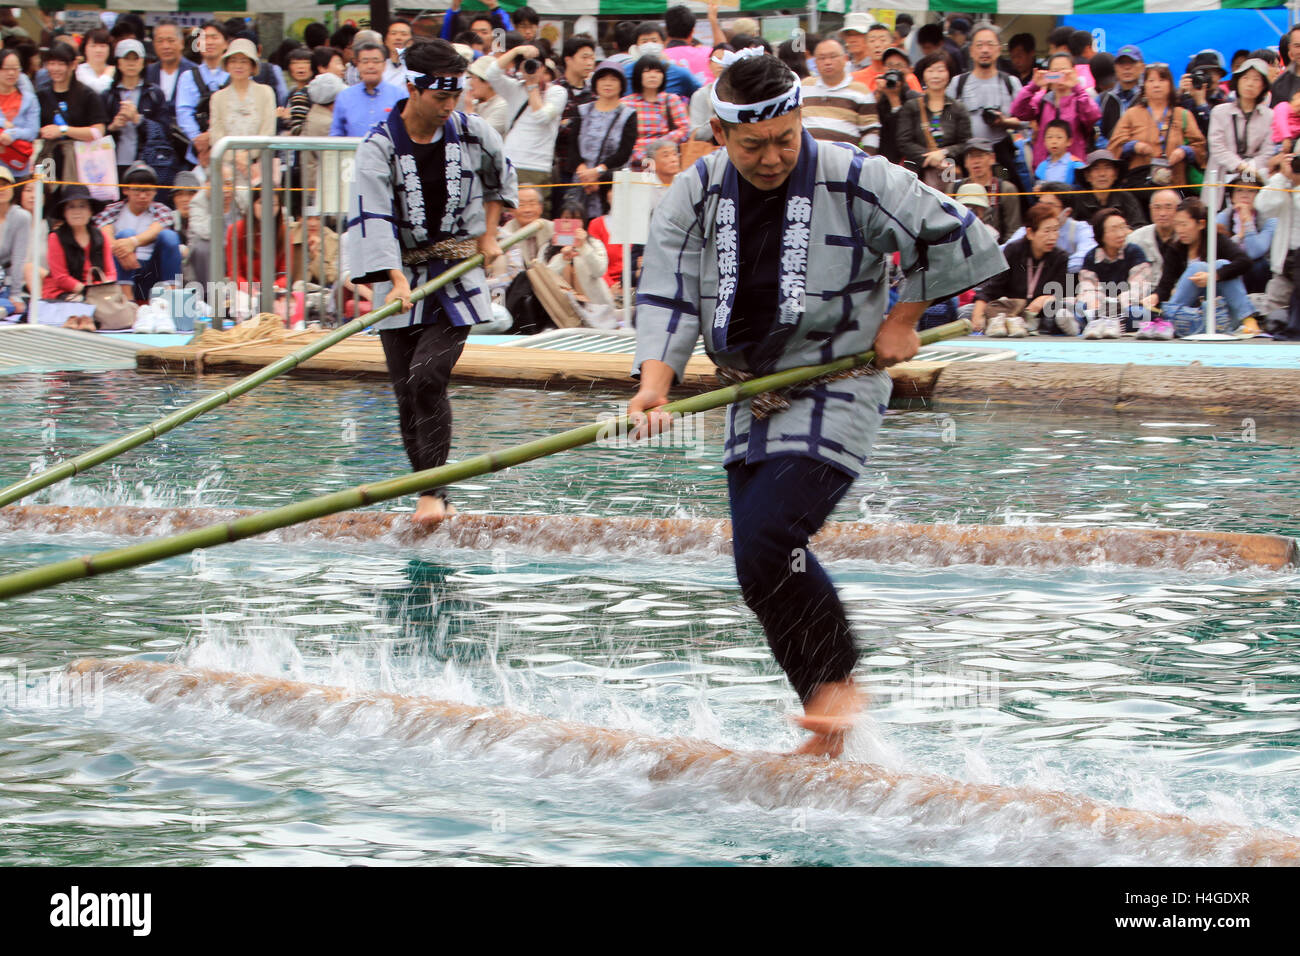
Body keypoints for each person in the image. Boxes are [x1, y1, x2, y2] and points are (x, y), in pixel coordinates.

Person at [628, 52, 1004, 757]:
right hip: (752, 392)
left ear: (800, 121)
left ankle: (839, 684)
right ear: (719, 134)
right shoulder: (694, 190)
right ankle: (825, 721)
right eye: (753, 145)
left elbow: (957, 231)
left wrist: (905, 316)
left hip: (840, 379)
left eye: (785, 139)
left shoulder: (855, 173)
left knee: (774, 535)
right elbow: (670, 291)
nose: (772, 157)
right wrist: (655, 384)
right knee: (755, 565)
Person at [346, 39, 516, 524]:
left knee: (428, 376)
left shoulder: (472, 131)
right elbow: (372, 216)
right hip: (400, 275)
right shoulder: (378, 146)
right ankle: (431, 494)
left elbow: (499, 177)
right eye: (440, 97)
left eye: (455, 95)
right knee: (406, 390)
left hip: (457, 270)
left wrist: (487, 234)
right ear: (414, 88)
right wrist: (396, 278)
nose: (449, 106)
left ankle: (433, 494)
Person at [1148, 197, 1259, 336]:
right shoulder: (1175, 249)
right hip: (1188, 316)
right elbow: (1166, 284)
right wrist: (1156, 296)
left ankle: (1248, 318)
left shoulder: (1217, 241)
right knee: (1198, 267)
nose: (1180, 230)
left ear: (1201, 224)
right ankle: (1168, 321)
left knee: (1219, 265)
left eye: (1184, 224)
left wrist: (1215, 276)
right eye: (1176, 225)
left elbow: (1245, 262)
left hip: (1222, 314)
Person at [972, 203, 1068, 336]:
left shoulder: (1060, 257)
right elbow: (993, 287)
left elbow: (1061, 291)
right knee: (967, 311)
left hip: (1040, 314)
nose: (1053, 237)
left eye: (1056, 230)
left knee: (1058, 308)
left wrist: (1044, 299)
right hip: (1010, 310)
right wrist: (977, 314)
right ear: (1030, 233)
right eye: (1047, 231)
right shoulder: (1013, 251)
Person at [92, 163, 183, 303]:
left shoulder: (161, 209)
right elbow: (105, 231)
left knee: (169, 236)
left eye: (147, 191)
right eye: (137, 190)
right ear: (126, 190)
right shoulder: (113, 210)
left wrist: (132, 243)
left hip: (153, 268)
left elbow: (156, 230)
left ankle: (172, 297)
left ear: (155, 191)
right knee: (125, 234)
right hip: (122, 267)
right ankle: (127, 299)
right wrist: (121, 247)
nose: (142, 196)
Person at [948, 25, 1024, 191]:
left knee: (1005, 188)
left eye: (990, 45)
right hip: (966, 156)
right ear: (971, 50)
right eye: (979, 45)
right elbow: (946, 119)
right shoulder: (958, 83)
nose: (985, 50)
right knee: (963, 193)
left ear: (998, 50)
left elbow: (1024, 122)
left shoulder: (1011, 82)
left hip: (999, 155)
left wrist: (1004, 122)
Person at [482, 43, 568, 185]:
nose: (531, 68)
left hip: (537, 166)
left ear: (544, 67)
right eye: (525, 65)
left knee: (533, 207)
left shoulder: (557, 92)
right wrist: (516, 50)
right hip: (509, 162)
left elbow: (542, 117)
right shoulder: (514, 88)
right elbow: (491, 73)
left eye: (535, 64)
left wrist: (532, 86)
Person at [1109, 64, 1206, 190]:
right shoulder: (1131, 114)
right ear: (1144, 86)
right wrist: (1134, 146)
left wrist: (1184, 151)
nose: (1156, 85)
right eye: (1151, 80)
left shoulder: (1183, 114)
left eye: (1162, 80)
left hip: (1175, 184)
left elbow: (1200, 147)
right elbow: (1114, 147)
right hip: (1139, 185)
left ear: (1170, 85)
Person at [560, 60, 637, 218]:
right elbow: (573, 146)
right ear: (595, 83)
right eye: (603, 79)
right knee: (572, 231)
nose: (607, 83)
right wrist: (583, 173)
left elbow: (624, 152)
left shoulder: (628, 114)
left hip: (610, 184)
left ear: (621, 84)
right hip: (580, 182)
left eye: (613, 79)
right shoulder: (582, 110)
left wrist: (597, 172)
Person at [102, 39, 177, 189]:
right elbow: (98, 130)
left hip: (147, 162)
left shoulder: (154, 94)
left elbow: (165, 131)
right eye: (126, 58)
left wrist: (139, 120)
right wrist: (113, 126)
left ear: (143, 62)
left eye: (135, 58)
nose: (131, 63)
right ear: (118, 63)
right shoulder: (107, 95)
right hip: (113, 163)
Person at [35, 43, 108, 187]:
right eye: (51, 63)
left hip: (80, 160)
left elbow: (97, 131)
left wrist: (63, 130)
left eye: (61, 64)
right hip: (49, 159)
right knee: (47, 195)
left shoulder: (87, 94)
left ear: (73, 64)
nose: (55, 69)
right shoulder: (41, 94)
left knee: (75, 197)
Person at [895, 53, 970, 192]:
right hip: (917, 170)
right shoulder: (912, 107)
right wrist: (930, 158)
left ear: (949, 74)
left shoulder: (958, 108)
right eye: (930, 70)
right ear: (923, 74)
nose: (935, 75)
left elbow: (966, 142)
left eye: (941, 70)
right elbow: (903, 141)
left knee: (947, 204)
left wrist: (944, 153)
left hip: (949, 169)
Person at [1011, 52, 1099, 169]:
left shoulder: (1081, 99)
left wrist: (1076, 87)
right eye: (1055, 71)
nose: (1060, 76)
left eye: (1064, 71)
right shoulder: (1042, 99)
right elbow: (1018, 111)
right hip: (1044, 169)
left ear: (1074, 72)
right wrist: (1033, 86)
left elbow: (1093, 116)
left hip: (1074, 169)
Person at [1077, 207, 1152, 338]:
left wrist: (1114, 306)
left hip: (1125, 307)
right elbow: (1089, 289)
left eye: (1123, 227)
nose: (1121, 233)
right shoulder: (1091, 257)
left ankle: (1095, 324)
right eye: (1114, 229)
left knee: (1139, 312)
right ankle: (1097, 323)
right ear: (1101, 234)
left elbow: (1139, 288)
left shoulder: (1134, 252)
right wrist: (1101, 306)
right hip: (1099, 307)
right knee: (1078, 307)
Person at [43, 185, 116, 304]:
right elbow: (61, 277)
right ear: (64, 213)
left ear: (90, 211)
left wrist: (103, 288)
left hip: (98, 290)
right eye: (71, 207)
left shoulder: (101, 236)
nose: (77, 211)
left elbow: (110, 272)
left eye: (82, 206)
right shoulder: (55, 237)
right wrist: (87, 292)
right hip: (63, 291)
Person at [174, 21, 231, 170]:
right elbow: (183, 112)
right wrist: (199, 141)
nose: (209, 42)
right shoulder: (187, 76)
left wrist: (212, 137)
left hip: (231, 151)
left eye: (214, 37)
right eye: (204, 38)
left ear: (226, 44)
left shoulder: (237, 75)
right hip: (198, 155)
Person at [1209, 59, 1277, 182]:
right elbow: (1216, 145)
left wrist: (1250, 167)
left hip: (1254, 175)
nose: (1250, 84)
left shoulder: (1269, 116)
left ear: (1263, 86)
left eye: (1256, 79)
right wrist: (1240, 166)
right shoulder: (1219, 112)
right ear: (1237, 81)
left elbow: (1268, 150)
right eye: (1245, 78)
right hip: (1221, 173)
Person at [1003, 183, 1096, 272]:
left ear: (1067, 212)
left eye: (1049, 205)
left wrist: (1051, 269)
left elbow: (1086, 256)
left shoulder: (1081, 229)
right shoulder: (1030, 228)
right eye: (1040, 204)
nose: (1042, 209)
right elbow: (1005, 251)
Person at [621, 55, 690, 167]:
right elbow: (621, 137)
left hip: (667, 163)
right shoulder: (626, 104)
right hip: (634, 164)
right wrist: (640, 155)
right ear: (638, 75)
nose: (653, 75)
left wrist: (657, 148)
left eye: (658, 72)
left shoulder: (672, 100)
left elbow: (684, 129)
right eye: (647, 72)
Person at [331, 42, 402, 138]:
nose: (370, 66)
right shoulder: (344, 97)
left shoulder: (400, 96)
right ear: (358, 65)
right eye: (365, 61)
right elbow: (336, 134)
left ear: (384, 65)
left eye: (375, 61)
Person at [1218, 176, 1275, 294]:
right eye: (1239, 190)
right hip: (1231, 266)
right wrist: (1239, 236)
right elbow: (1217, 250)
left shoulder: (1269, 218)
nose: (1245, 195)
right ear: (1232, 197)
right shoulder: (1223, 217)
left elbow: (1254, 252)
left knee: (1257, 265)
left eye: (1251, 190)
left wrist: (1247, 222)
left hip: (1259, 274)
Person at [960, 138, 1019, 241]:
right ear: (965, 162)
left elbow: (1013, 231)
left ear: (992, 158)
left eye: (980, 156)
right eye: (971, 156)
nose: (976, 161)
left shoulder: (1006, 189)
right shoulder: (956, 188)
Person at [1072, 150, 1145, 230]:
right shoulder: (1078, 201)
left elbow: (1139, 227)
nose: (1102, 174)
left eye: (1108, 167)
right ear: (1087, 176)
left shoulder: (1126, 198)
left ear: (1115, 174)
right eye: (1096, 168)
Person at [1128, 189, 1181, 294]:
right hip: (1143, 296)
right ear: (1150, 209)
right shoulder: (1135, 238)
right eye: (1157, 208)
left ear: (1179, 209)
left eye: (1168, 207)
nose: (1162, 213)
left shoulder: (1186, 237)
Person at [0, 49, 38, 175]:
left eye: (15, 69)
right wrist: (3, 123)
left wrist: (12, 134)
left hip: (18, 168)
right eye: (6, 69)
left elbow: (33, 131)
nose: (11, 73)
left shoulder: (29, 99)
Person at [0, 165, 29, 318]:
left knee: (15, 306)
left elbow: (19, 258)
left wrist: (16, 294)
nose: (2, 189)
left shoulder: (21, 217)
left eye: (5, 184)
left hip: (6, 282)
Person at [1179, 49, 1228, 135]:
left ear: (1220, 76)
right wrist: (1179, 94)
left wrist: (1201, 104)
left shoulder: (1225, 102)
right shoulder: (1186, 99)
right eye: (1204, 74)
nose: (1209, 78)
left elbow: (1216, 132)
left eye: (1212, 73)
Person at [1035, 120, 1087, 185]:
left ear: (1069, 141)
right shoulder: (1041, 167)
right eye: (1049, 137)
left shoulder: (1077, 166)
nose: (1054, 141)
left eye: (1059, 137)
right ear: (1044, 142)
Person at [76, 29, 116, 95]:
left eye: (103, 46)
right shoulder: (79, 71)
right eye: (93, 46)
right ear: (85, 49)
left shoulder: (116, 70)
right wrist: (108, 74)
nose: (98, 50)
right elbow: (98, 89)